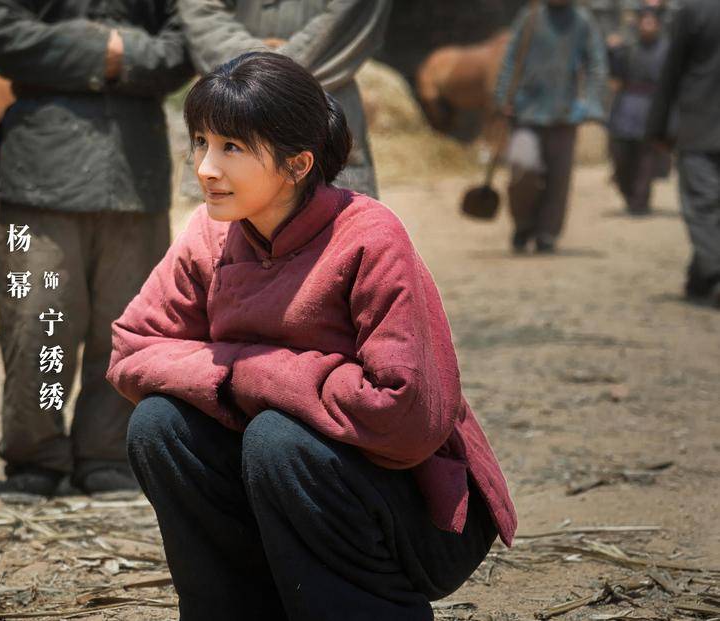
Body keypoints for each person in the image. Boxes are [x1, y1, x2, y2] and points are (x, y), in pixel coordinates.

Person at [108, 52, 516, 619]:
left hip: (415, 517)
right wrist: (243, 375)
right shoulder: (211, 233)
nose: (205, 167)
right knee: (159, 426)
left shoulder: (369, 236)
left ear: (297, 164)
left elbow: (406, 415)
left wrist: (249, 374)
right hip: (278, 499)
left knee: (279, 438)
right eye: (201, 142)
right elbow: (133, 347)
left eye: (232, 147)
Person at [0, 0, 193, 496]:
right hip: (37, 172)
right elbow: (2, 33)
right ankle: (35, 454)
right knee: (37, 321)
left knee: (125, 326)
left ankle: (107, 452)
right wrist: (106, 50)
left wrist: (110, 51)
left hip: (135, 169)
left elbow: (182, 47)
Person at [179, 0, 390, 199]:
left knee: (333, 215)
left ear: (300, 164)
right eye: (201, 142)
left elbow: (349, 17)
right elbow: (200, 12)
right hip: (224, 108)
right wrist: (263, 65)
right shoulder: (211, 174)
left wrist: (258, 67)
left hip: (325, 115)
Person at [495, 0, 607, 253]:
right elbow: (510, 58)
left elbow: (596, 64)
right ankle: (523, 224)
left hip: (564, 114)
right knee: (522, 169)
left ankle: (547, 233)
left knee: (559, 179)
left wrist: (591, 103)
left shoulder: (582, 21)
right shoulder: (530, 17)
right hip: (526, 112)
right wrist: (503, 97)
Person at [647, 0, 720, 308]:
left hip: (699, 127)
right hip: (700, 128)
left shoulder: (695, 11)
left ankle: (713, 275)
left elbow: (672, 71)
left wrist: (656, 127)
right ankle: (701, 278)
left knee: (703, 206)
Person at [608, 8, 670, 216]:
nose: (647, 25)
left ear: (658, 25)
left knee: (646, 158)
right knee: (621, 154)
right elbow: (615, 72)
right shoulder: (628, 48)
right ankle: (629, 194)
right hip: (627, 105)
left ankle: (640, 201)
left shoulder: (667, 50)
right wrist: (612, 51)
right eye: (644, 21)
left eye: (651, 22)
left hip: (653, 105)